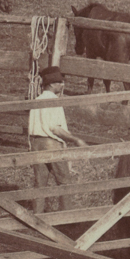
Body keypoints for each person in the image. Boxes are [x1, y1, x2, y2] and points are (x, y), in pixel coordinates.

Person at [27, 66, 81, 214]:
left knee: (40, 183)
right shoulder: (54, 101)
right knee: (64, 181)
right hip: (51, 144)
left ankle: (37, 217)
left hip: (36, 144)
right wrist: (75, 139)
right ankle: (66, 216)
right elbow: (55, 128)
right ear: (51, 84)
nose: (62, 85)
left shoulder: (36, 101)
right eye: (59, 82)